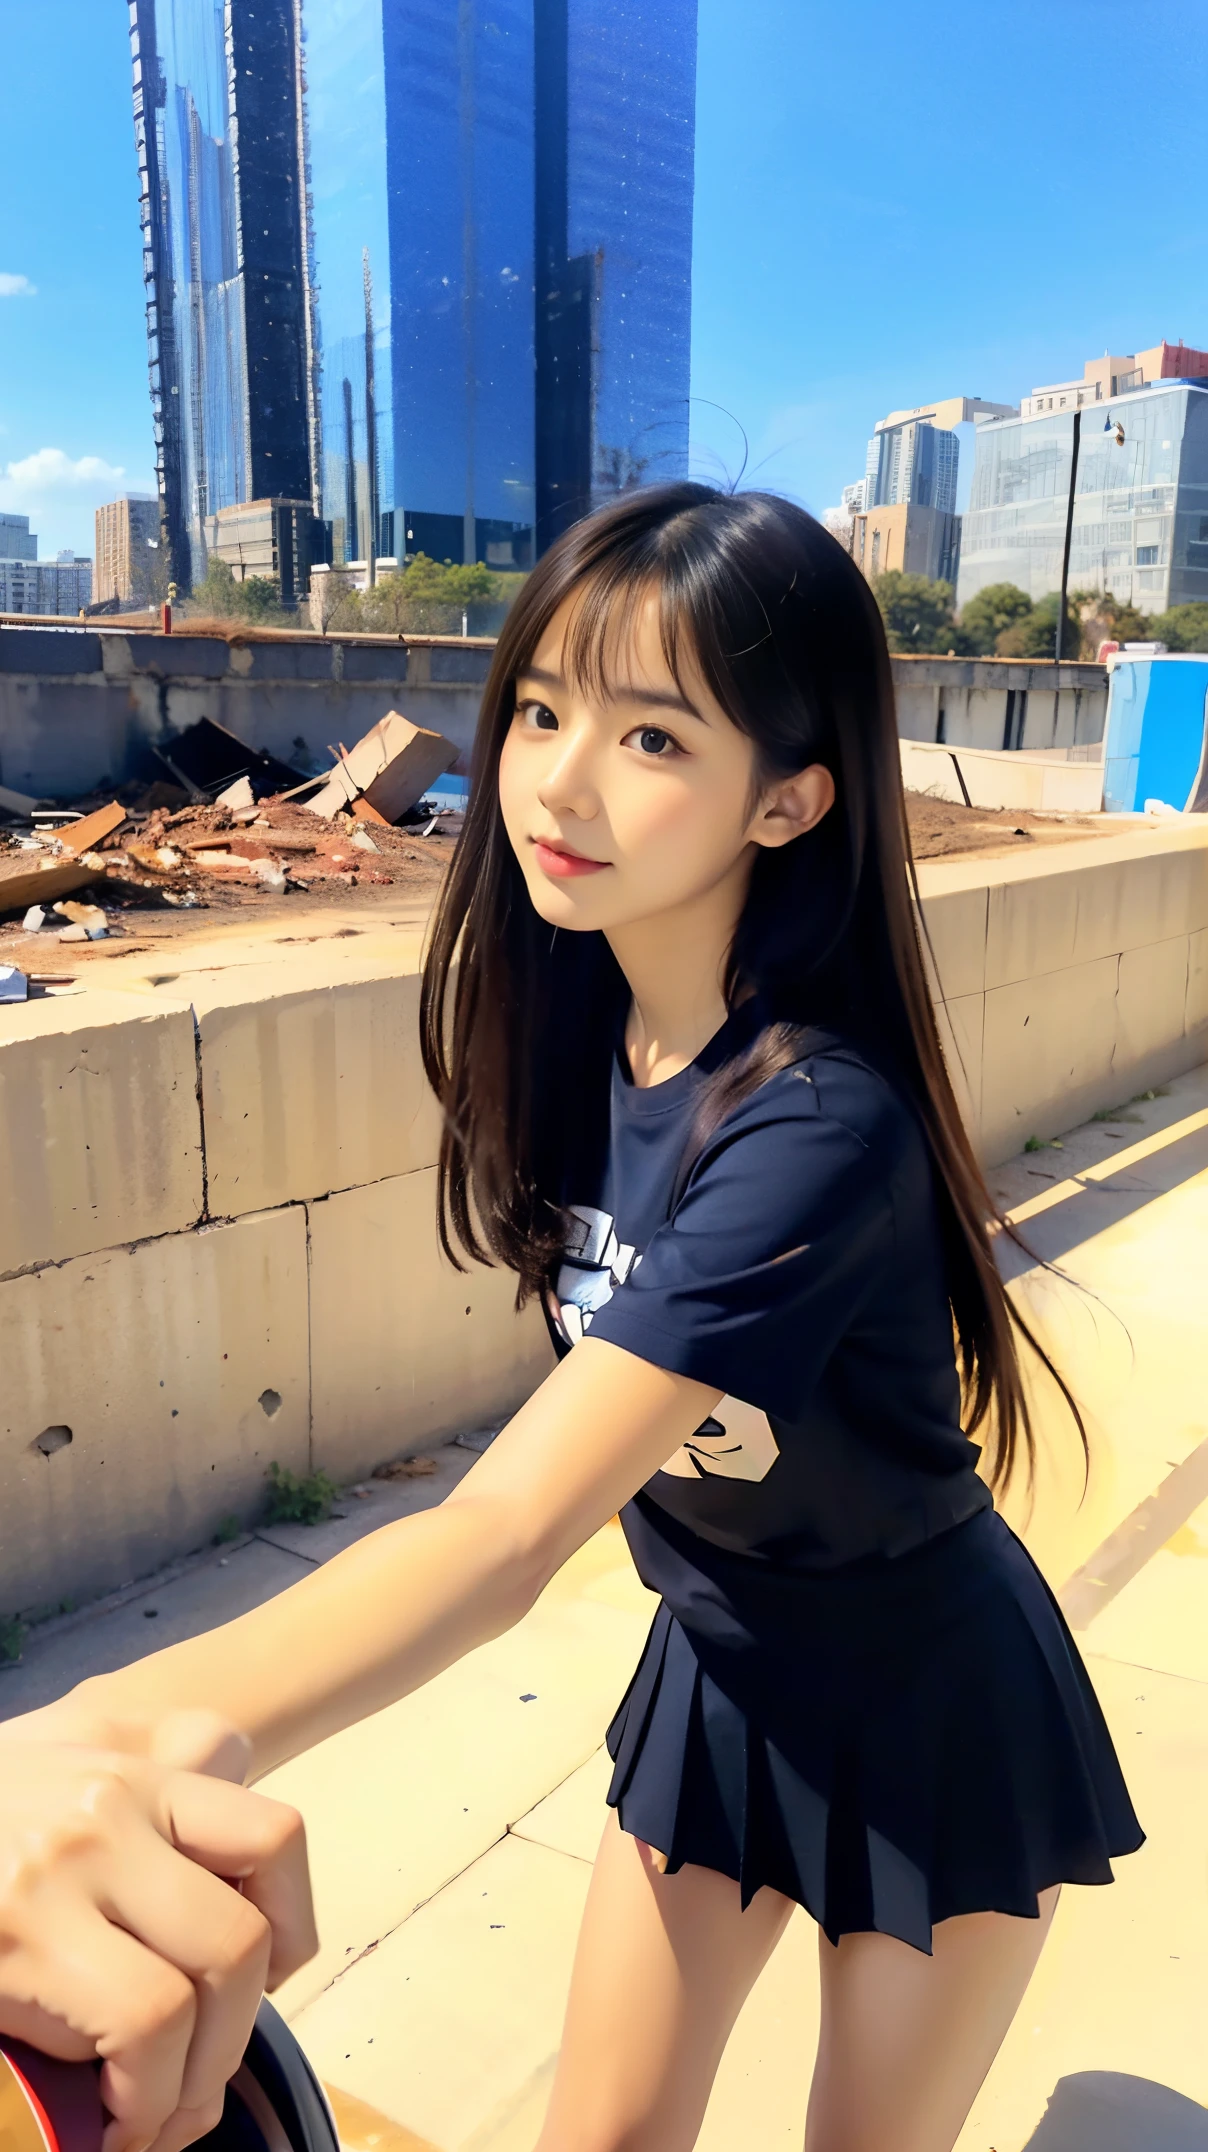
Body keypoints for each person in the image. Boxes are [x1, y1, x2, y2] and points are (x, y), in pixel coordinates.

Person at [0, 486, 1142, 2152]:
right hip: (725, 1674)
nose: (555, 778)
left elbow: (506, 1531)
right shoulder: (584, 1035)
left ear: (790, 799)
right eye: (541, 709)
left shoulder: (821, 1126)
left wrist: (93, 1736)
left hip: (932, 1704)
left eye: (655, 738)